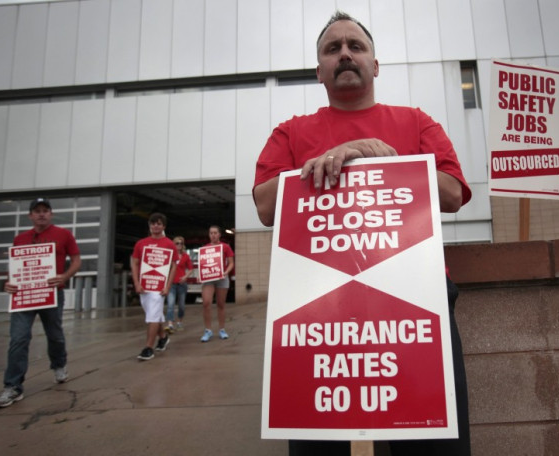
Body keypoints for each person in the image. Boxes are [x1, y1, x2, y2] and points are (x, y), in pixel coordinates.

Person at [253, 12, 472, 456]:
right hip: (319, 317)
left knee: (432, 442)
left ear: (375, 64)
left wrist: (370, 159)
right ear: (319, 71)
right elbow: (264, 205)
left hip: (416, 309)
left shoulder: (416, 122)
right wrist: (333, 157)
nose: (346, 54)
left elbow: (452, 194)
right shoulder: (291, 132)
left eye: (356, 46)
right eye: (333, 49)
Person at [0, 198, 81, 408]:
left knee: (55, 335)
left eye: (45, 210)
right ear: (30, 215)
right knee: (19, 338)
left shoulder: (63, 235)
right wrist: (9, 283)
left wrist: (65, 276)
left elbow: (76, 260)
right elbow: (15, 268)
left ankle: (59, 365)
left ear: (51, 214)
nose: (41, 214)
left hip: (52, 294)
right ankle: (13, 386)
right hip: (24, 297)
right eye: (37, 211)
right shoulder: (20, 238)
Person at [130, 213, 177, 361]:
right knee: (153, 315)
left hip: (159, 288)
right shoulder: (141, 244)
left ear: (163, 226)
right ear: (149, 226)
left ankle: (148, 348)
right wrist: (137, 283)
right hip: (144, 287)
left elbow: (173, 266)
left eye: (159, 223)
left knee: (152, 316)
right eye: (153, 223)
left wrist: (167, 286)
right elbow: (135, 263)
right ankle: (163, 337)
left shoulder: (169, 244)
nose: (155, 226)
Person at [199, 225, 235, 342]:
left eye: (215, 233)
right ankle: (208, 330)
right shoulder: (204, 249)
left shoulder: (225, 247)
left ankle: (222, 329)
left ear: (219, 234)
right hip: (209, 278)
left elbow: (231, 263)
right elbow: (203, 265)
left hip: (222, 277)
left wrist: (226, 272)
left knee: (221, 304)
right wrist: (201, 275)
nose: (213, 235)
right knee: (206, 303)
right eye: (211, 233)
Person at [165, 236, 193, 332]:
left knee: (181, 305)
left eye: (181, 243)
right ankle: (170, 323)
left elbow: (191, 268)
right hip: (171, 283)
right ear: (173, 244)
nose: (179, 245)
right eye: (177, 243)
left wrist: (185, 277)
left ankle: (179, 321)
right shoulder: (170, 255)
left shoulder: (186, 256)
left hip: (182, 283)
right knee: (170, 304)